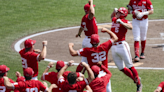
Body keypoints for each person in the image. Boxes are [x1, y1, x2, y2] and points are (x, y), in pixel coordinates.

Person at [69, 27, 118, 92]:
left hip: (93, 76)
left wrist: (70, 46)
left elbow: (73, 53)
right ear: (99, 41)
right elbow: (115, 38)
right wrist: (107, 30)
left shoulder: (87, 50)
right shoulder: (104, 46)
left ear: (90, 42)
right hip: (105, 74)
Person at [110, 7, 142, 92]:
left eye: (119, 12)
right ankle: (135, 79)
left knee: (130, 66)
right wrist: (114, 11)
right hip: (113, 46)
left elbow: (130, 27)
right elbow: (111, 17)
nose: (117, 13)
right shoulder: (114, 19)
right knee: (121, 68)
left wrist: (121, 22)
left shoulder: (124, 21)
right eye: (118, 12)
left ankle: (139, 84)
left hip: (122, 45)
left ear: (123, 15)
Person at [75, 0, 98, 72]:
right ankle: (92, 75)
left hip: (86, 40)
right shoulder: (89, 17)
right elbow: (92, 12)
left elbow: (81, 27)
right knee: (92, 60)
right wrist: (91, 3)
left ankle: (78, 74)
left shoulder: (84, 17)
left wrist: (79, 34)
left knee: (84, 60)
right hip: (91, 41)